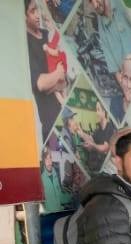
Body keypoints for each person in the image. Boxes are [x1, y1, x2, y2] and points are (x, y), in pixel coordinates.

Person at [27, 0, 67, 142]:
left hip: (65, 114)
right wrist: (58, 74)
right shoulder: (26, 43)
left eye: (37, 10)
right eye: (32, 11)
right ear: (24, 16)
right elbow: (41, 84)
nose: (38, 15)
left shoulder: (47, 34)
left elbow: (64, 80)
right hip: (51, 125)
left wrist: (55, 81)